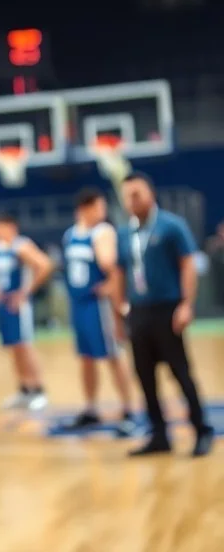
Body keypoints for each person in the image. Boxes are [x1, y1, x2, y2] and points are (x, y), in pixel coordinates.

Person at [117, 172, 213, 457]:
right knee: (144, 376)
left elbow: (187, 264)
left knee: (180, 373)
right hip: (139, 312)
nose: (132, 200)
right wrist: (120, 311)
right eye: (127, 196)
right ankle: (159, 435)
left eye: (137, 194)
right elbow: (120, 272)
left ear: (151, 193)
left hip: (167, 310)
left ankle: (201, 430)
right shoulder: (125, 233)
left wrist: (186, 304)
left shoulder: (171, 226)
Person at [61, 188, 135, 433]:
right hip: (79, 303)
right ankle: (91, 408)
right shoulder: (71, 234)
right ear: (85, 209)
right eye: (98, 207)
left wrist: (116, 297)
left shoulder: (103, 232)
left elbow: (114, 269)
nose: (102, 212)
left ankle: (128, 409)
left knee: (113, 355)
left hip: (99, 305)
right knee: (86, 357)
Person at [0, 213, 54, 411]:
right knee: (14, 347)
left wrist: (25, 292)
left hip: (19, 305)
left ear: (12, 227)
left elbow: (45, 265)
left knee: (25, 346)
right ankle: (24, 389)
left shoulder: (21, 245)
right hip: (3, 303)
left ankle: (39, 390)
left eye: (1, 227)